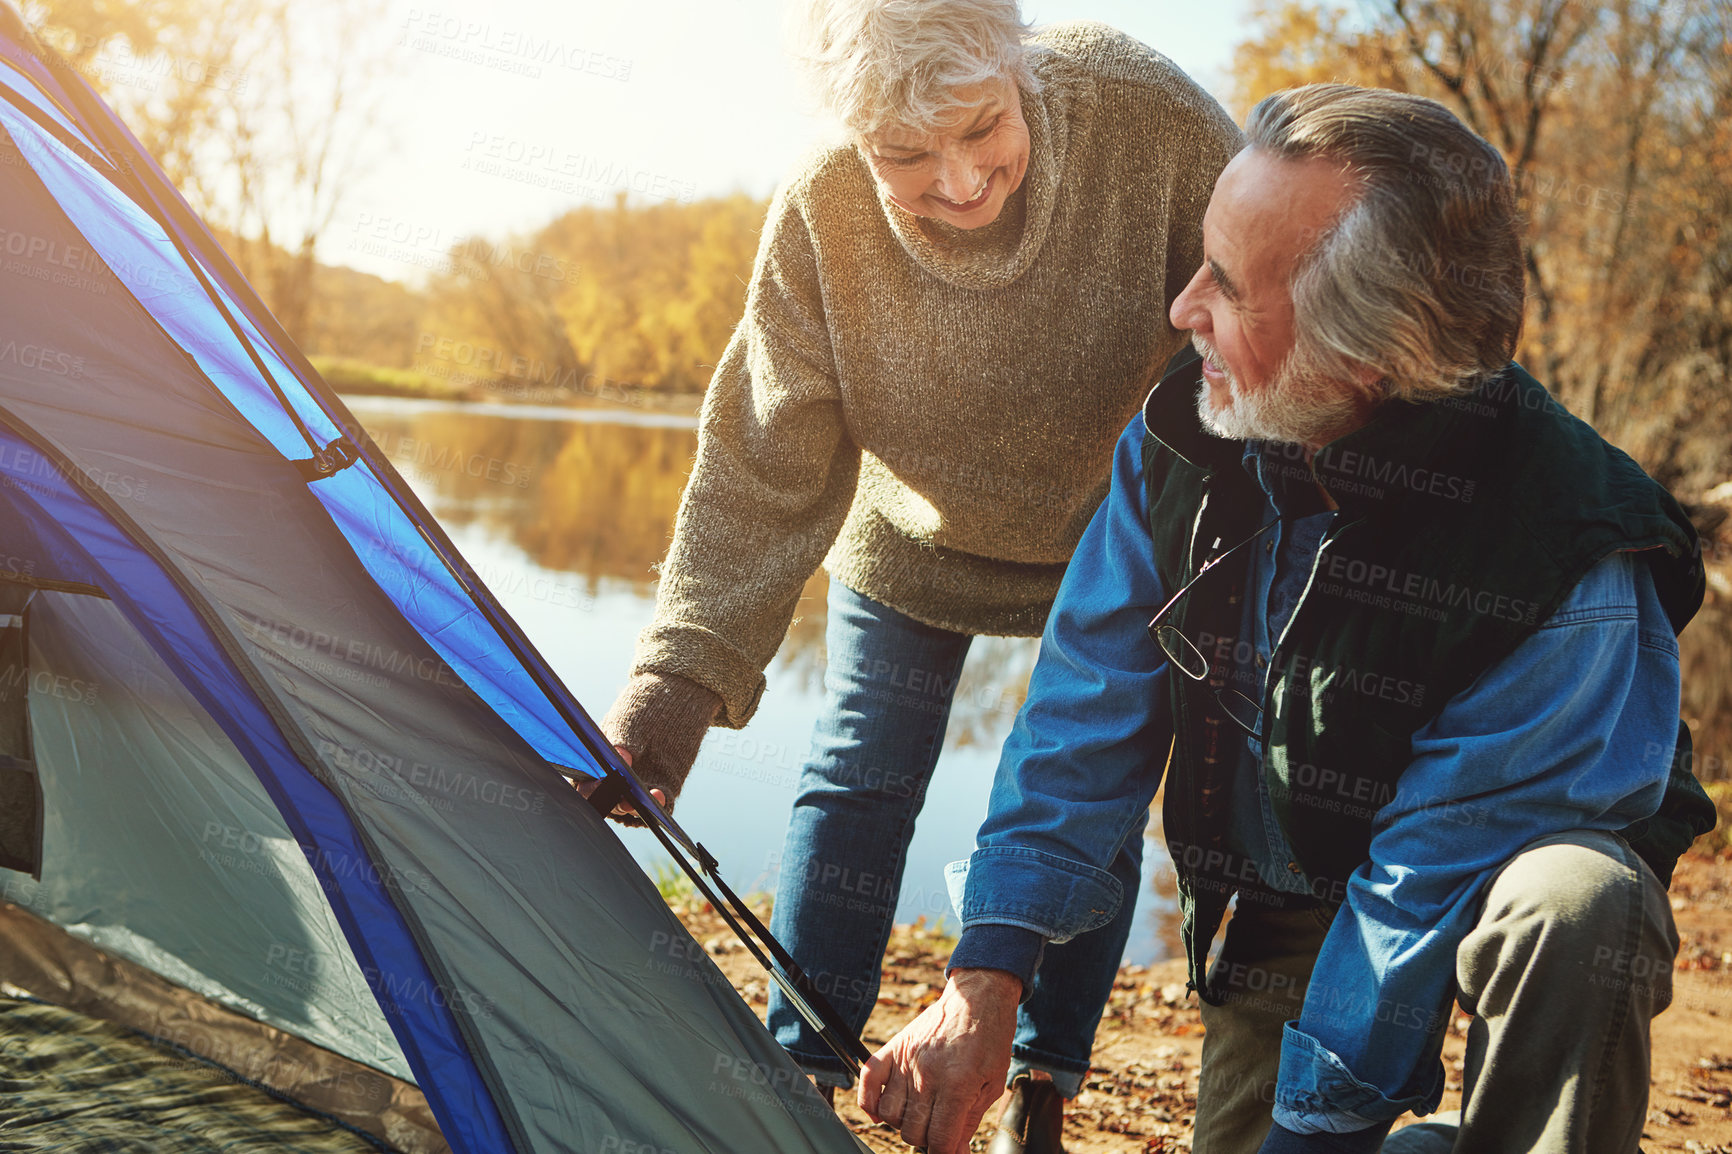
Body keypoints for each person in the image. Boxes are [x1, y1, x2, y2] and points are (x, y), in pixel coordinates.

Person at [859, 83, 1717, 1154]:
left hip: (1486, 871)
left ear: (1367, 352)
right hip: (1290, 877)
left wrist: (1315, 1127)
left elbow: (1416, 893)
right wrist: (984, 981)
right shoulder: (1186, 429)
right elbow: (1082, 717)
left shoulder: (1567, 549)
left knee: (1581, 906)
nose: (1182, 308)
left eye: (1226, 283)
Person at [596, 0, 1240, 1146]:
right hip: (908, 527)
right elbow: (761, 462)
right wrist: (674, 686)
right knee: (858, 769)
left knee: (1086, 789)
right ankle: (803, 1061)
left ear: (1017, 69)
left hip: (1110, 530)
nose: (956, 180)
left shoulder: (1154, 123)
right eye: (903, 155)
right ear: (853, 137)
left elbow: (1252, 320)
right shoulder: (817, 213)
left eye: (982, 129)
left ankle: (1038, 1076)